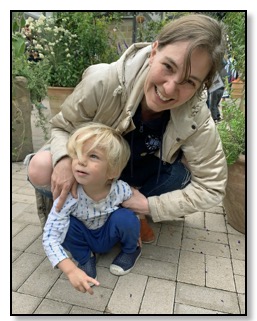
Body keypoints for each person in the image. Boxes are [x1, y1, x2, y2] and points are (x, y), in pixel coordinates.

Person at [27, 14, 228, 245]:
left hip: (145, 176)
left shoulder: (197, 116)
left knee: (183, 174)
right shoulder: (103, 80)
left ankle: (128, 211)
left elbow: (212, 187)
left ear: (201, 85)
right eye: (168, 66)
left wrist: (150, 206)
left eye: (189, 82)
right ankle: (79, 212)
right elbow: (62, 126)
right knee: (41, 167)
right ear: (154, 52)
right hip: (98, 171)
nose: (170, 88)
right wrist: (63, 159)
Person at [43, 123, 141, 294]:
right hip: (84, 237)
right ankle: (85, 258)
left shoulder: (120, 189)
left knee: (126, 217)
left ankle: (131, 251)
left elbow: (137, 203)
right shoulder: (68, 196)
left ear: (112, 171)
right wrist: (70, 270)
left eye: (93, 156)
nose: (81, 160)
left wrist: (139, 228)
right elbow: (50, 237)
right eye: (77, 154)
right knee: (65, 226)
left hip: (108, 234)